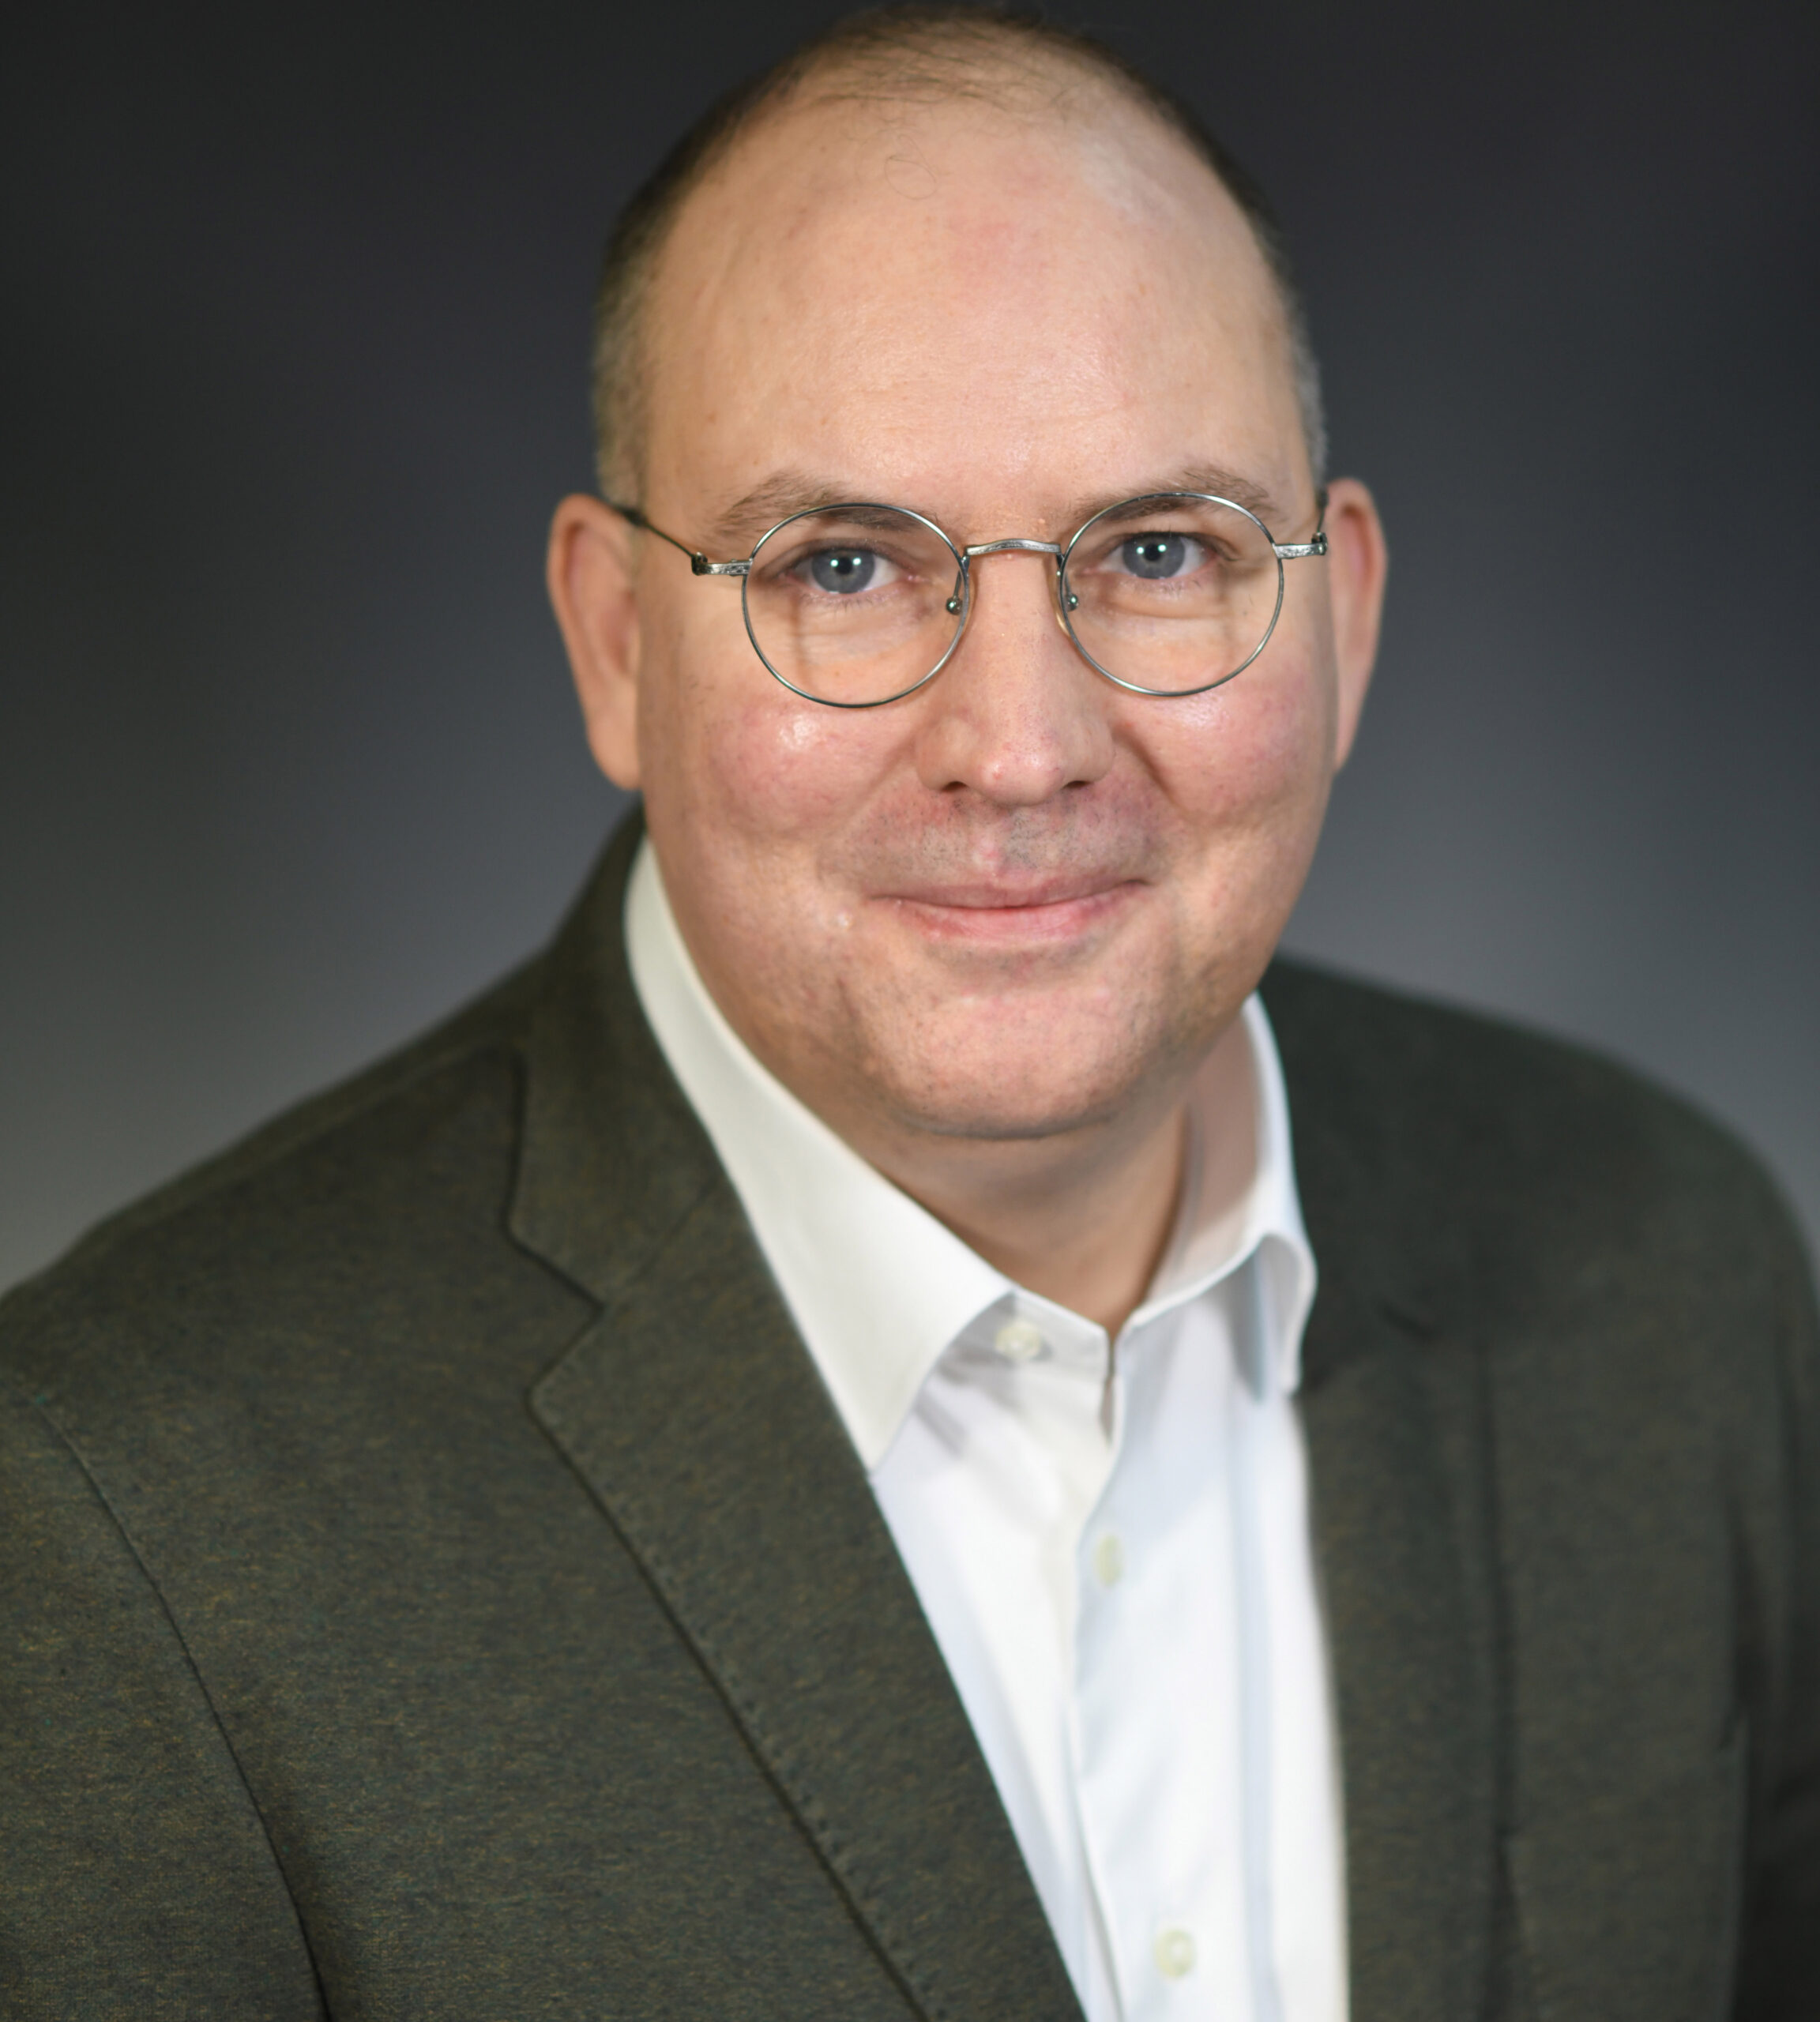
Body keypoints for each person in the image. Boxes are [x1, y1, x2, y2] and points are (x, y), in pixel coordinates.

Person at [2, 6, 1814, 2018]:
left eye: (1156, 550)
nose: (1022, 746)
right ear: (616, 646)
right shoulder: (121, 1527)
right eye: (845, 563)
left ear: (1345, 616)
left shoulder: (1677, 1271)